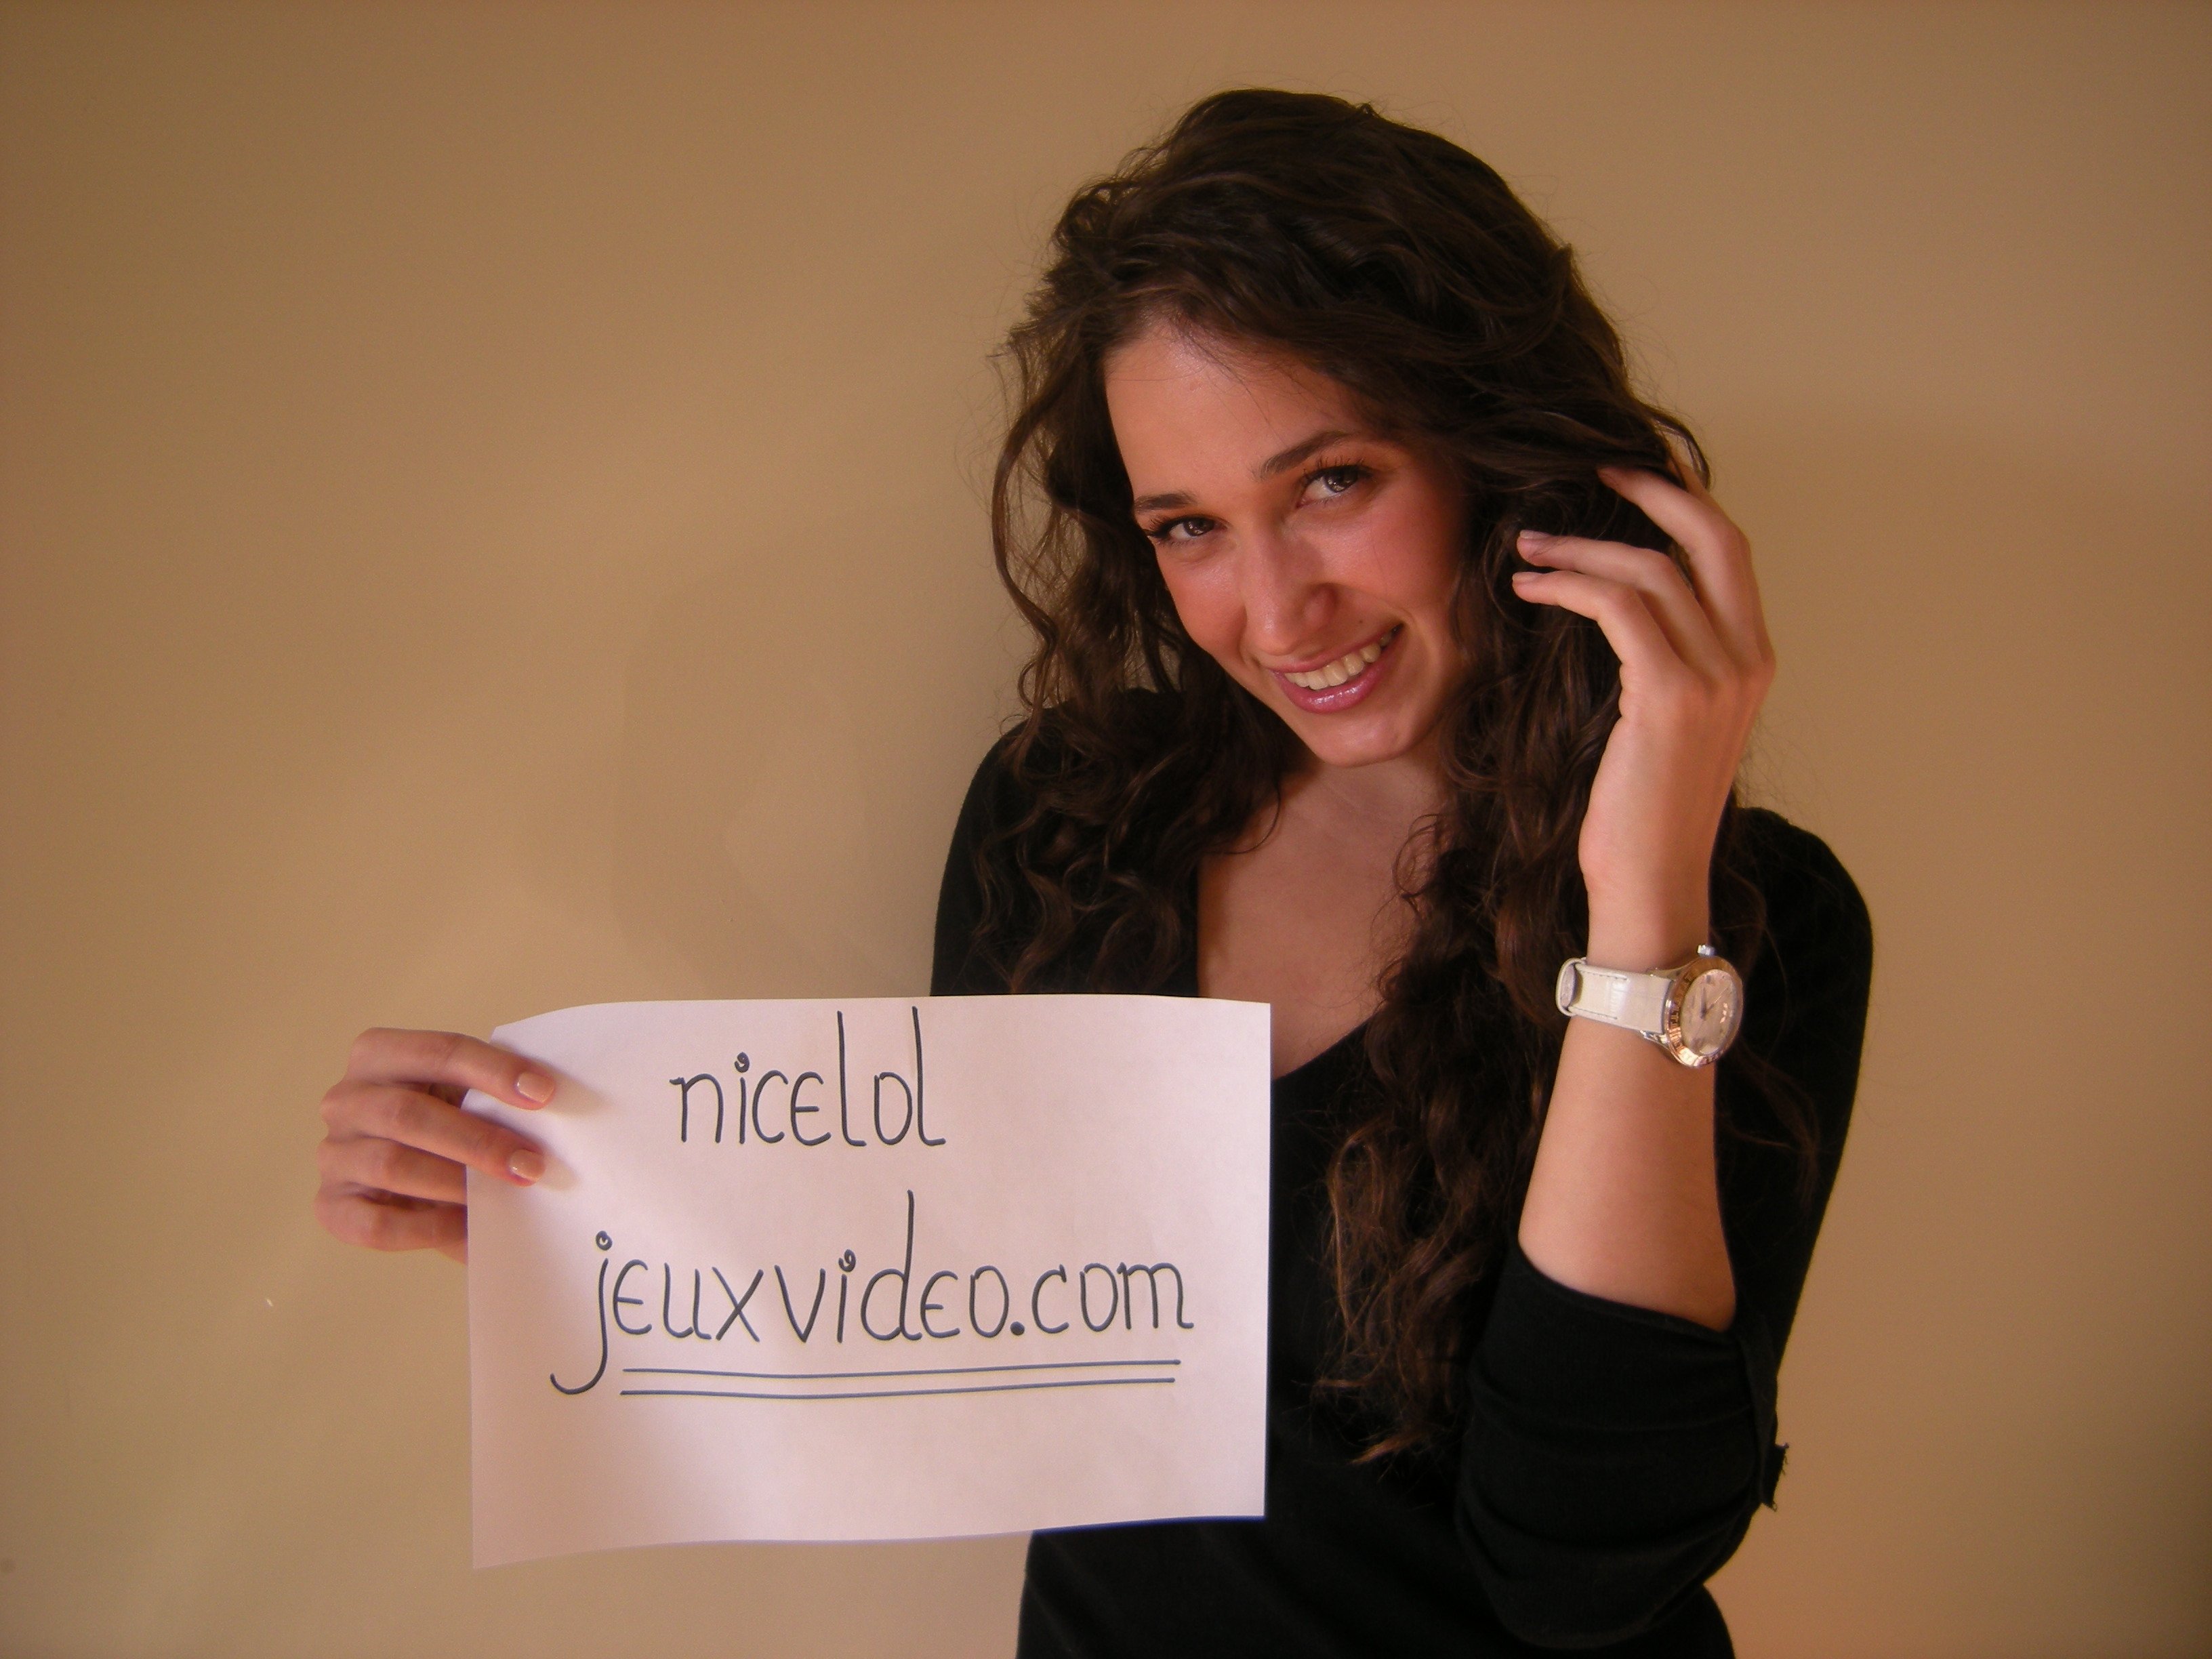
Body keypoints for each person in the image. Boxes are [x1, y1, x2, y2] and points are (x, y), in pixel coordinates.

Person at [314, 89, 1872, 1657]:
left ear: (1493, 452)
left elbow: (1579, 1564)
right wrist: (570, 1225)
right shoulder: (1068, 825)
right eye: (1190, 528)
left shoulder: (1755, 923)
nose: (1277, 612)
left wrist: (1645, 897)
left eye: (1331, 483)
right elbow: (948, 1329)